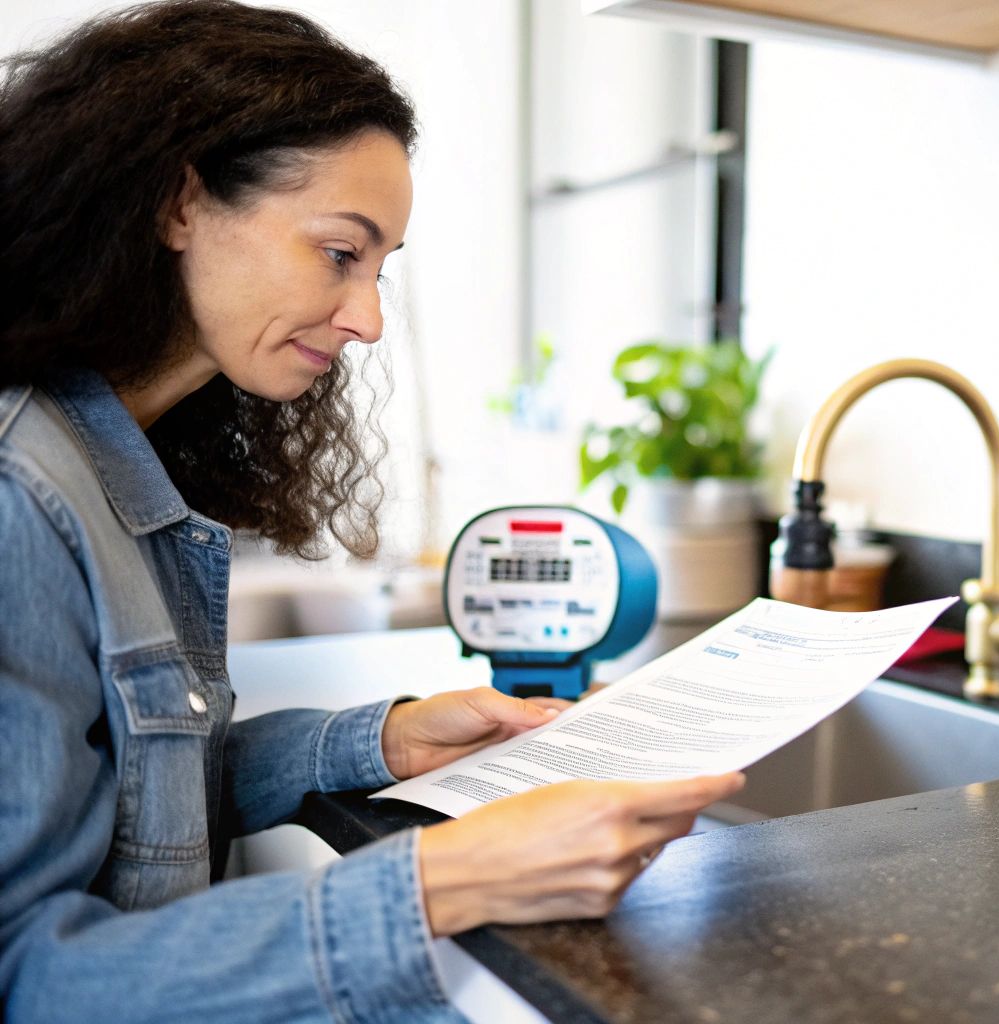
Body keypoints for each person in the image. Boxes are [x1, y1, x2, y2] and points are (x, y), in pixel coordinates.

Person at [0, 3, 744, 1020]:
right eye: (341, 253)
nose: (368, 318)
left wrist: (378, 742)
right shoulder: (19, 495)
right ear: (180, 204)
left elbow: (129, 798)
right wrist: (441, 880)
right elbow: (26, 976)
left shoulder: (107, 455)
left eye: (380, 267)